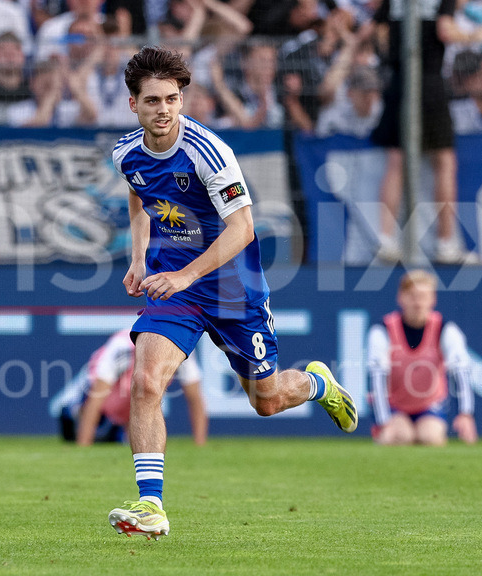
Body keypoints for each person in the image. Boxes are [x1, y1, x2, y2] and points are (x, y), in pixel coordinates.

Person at [107, 46, 357, 540]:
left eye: (172, 99)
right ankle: (151, 505)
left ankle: (318, 385)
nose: (164, 110)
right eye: (152, 100)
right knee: (146, 382)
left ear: (182, 99)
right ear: (133, 104)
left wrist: (186, 275)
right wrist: (138, 258)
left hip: (233, 291)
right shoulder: (125, 153)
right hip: (174, 289)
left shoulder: (209, 152)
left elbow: (242, 228)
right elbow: (138, 191)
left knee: (266, 401)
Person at [366, 0, 482, 264]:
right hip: (429, 82)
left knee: (396, 160)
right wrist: (476, 36)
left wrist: (393, 54)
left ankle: (385, 238)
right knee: (444, 161)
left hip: (399, 81)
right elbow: (445, 30)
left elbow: (378, 30)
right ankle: (445, 243)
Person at [367, 270, 478, 446]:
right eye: (412, 296)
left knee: (430, 438)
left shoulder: (445, 329)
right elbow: (377, 378)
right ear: (400, 298)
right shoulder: (382, 330)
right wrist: (383, 422)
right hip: (394, 406)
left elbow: (460, 370)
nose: (418, 302)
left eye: (424, 296)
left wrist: (466, 413)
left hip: (429, 405)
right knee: (401, 436)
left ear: (433, 299)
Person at [56, 328, 207, 447]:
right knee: (81, 430)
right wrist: (83, 447)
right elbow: (95, 400)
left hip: (124, 407)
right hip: (88, 404)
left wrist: (199, 445)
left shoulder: (180, 348)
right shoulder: (122, 348)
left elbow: (195, 399)